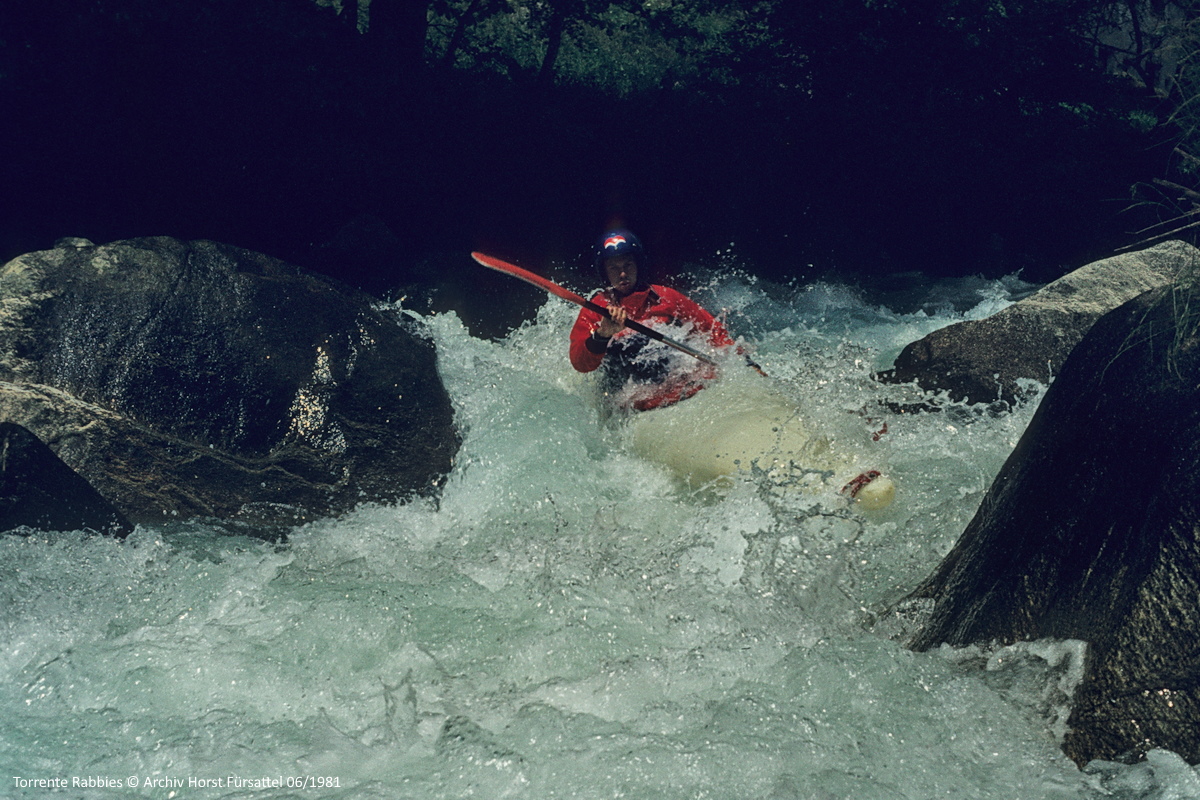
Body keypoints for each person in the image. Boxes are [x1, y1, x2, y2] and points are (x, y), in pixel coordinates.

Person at [569, 229, 735, 412]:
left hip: (679, 397)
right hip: (633, 408)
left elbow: (714, 331)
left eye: (628, 265)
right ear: (605, 273)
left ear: (638, 265)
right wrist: (602, 334)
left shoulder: (667, 298)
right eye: (614, 268)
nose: (622, 274)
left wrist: (741, 359)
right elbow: (580, 364)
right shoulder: (595, 310)